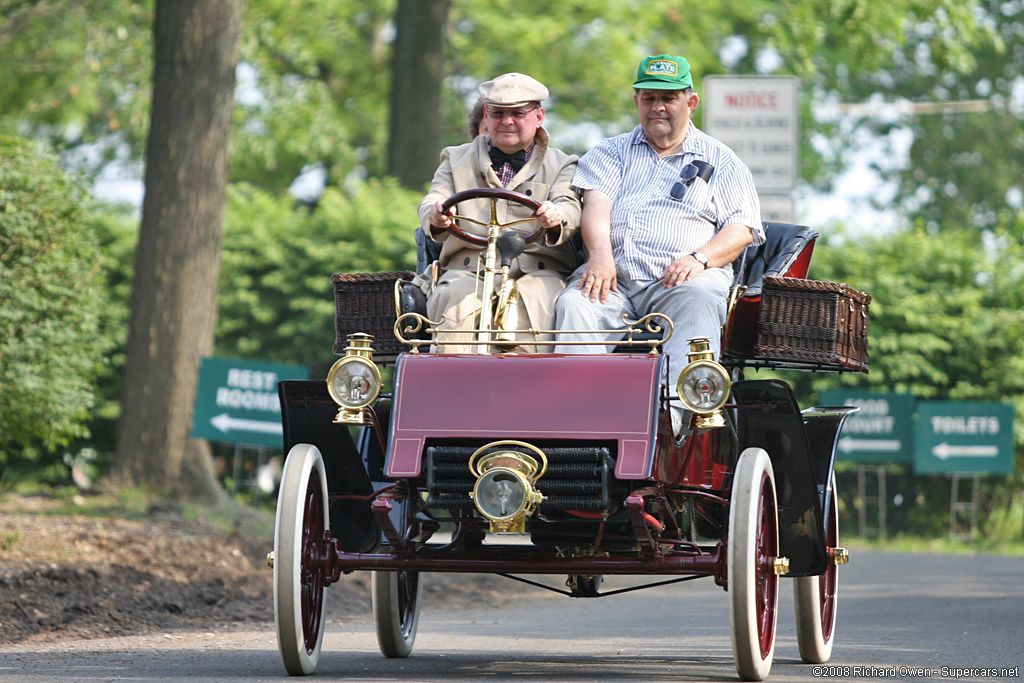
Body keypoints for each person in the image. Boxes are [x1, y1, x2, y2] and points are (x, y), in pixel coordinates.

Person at [555, 54, 764, 405]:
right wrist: (601, 257)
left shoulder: (723, 160)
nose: (658, 107)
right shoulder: (610, 151)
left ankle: (677, 418)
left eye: (668, 98)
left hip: (681, 281)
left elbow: (741, 229)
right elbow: (596, 207)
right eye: (649, 98)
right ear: (636, 100)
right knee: (576, 302)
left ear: (690, 102)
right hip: (614, 278)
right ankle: (580, 417)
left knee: (700, 294)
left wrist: (700, 258)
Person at [418, 72, 582, 352]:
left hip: (537, 272)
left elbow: (570, 207)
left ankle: (530, 390)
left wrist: (555, 216)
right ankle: (451, 385)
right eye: (497, 113)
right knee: (455, 301)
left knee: (540, 300)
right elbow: (434, 198)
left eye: (517, 113)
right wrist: (435, 214)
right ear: (486, 114)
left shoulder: (562, 164)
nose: (507, 121)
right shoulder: (455, 158)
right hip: (468, 270)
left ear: (539, 116)